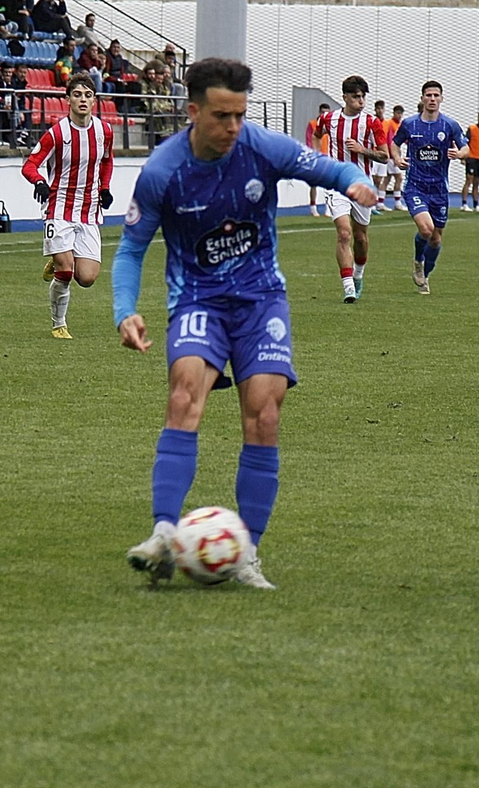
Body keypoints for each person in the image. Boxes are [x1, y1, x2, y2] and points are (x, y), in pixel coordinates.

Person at [112, 57, 378, 590]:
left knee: (264, 417)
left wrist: (356, 182)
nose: (233, 127)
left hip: (261, 302)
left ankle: (246, 553)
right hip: (198, 302)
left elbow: (331, 168)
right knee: (184, 397)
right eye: (221, 117)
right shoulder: (164, 170)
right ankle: (165, 535)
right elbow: (131, 250)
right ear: (192, 112)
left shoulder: (261, 146)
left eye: (239, 114)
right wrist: (125, 311)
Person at [21, 74, 114, 338]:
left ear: (94, 100)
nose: (82, 99)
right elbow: (29, 165)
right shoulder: (57, 134)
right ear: (67, 99)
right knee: (66, 270)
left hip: (88, 210)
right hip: (59, 208)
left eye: (87, 95)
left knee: (86, 278)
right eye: (77, 94)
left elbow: (107, 161)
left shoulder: (104, 132)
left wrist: (105, 188)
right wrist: (39, 182)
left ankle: (59, 258)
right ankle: (58, 324)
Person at [391, 81, 468, 295]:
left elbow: (466, 148)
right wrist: (397, 159)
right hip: (415, 186)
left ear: (441, 98)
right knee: (426, 229)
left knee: (436, 238)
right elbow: (395, 143)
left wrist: (459, 154)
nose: (432, 99)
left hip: (439, 190)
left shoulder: (449, 125)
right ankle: (418, 260)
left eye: (436, 95)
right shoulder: (409, 124)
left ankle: (425, 275)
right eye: (428, 95)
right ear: (422, 98)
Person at [317, 76, 389, 303]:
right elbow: (315, 135)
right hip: (337, 183)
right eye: (356, 96)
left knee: (360, 237)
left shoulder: (372, 123)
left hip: (362, 185)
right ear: (345, 97)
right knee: (344, 232)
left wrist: (362, 149)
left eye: (363, 96)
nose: (361, 101)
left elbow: (384, 155)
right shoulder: (328, 119)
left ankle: (358, 276)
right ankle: (348, 286)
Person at [304, 101, 331, 216]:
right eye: (323, 112)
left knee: (329, 184)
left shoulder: (331, 125)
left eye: (326, 113)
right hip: (316, 157)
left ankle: (328, 208)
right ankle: (313, 207)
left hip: (327, 156)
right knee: (314, 183)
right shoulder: (312, 124)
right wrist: (314, 154)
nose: (324, 114)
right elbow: (309, 140)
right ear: (319, 112)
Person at [368, 99, 393, 212]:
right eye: (377, 108)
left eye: (381, 108)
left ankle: (377, 203)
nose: (379, 110)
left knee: (379, 180)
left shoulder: (387, 123)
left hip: (383, 155)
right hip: (374, 154)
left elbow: (389, 139)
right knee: (371, 179)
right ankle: (370, 204)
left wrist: (390, 154)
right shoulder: (372, 121)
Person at [382, 104, 405, 210]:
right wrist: (394, 156)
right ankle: (397, 202)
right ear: (394, 113)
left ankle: (380, 202)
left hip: (392, 156)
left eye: (401, 113)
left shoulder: (399, 125)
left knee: (387, 179)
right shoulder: (389, 123)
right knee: (399, 178)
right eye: (398, 113)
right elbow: (389, 140)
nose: (399, 115)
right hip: (391, 156)